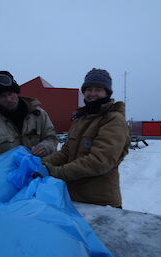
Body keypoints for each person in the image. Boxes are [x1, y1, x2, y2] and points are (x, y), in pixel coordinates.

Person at [43, 68, 130, 208]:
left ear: (107, 92)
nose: (92, 94)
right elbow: (66, 152)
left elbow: (99, 161)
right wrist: (41, 163)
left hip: (100, 203)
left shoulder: (113, 120)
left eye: (98, 89)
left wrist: (57, 172)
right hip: (73, 198)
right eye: (88, 89)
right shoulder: (81, 118)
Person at [0, 71, 57, 165]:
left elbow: (52, 138)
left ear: (16, 93)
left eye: (10, 94)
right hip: (6, 177)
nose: (8, 99)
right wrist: (11, 158)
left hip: (38, 173)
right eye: (3, 96)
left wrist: (45, 146)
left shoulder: (38, 115)